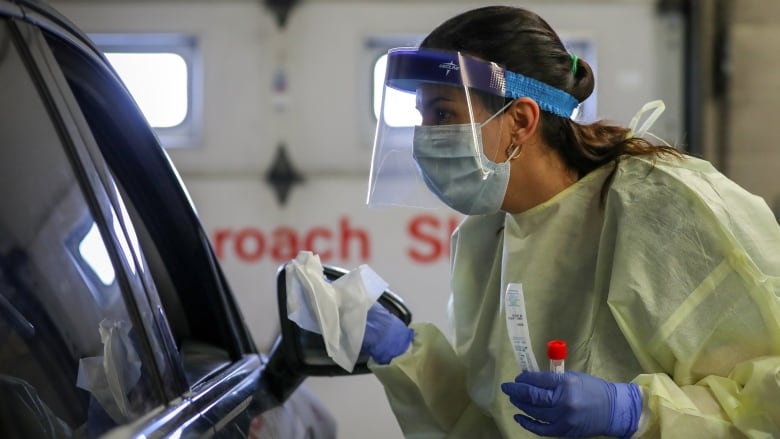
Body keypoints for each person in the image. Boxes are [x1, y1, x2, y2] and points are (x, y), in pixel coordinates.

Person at [359, 5, 780, 439]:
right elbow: (487, 422)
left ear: (520, 120)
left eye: (443, 115)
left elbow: (767, 400)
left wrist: (636, 413)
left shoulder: (662, 209)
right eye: (421, 117)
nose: (423, 138)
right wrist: (404, 355)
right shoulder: (486, 236)